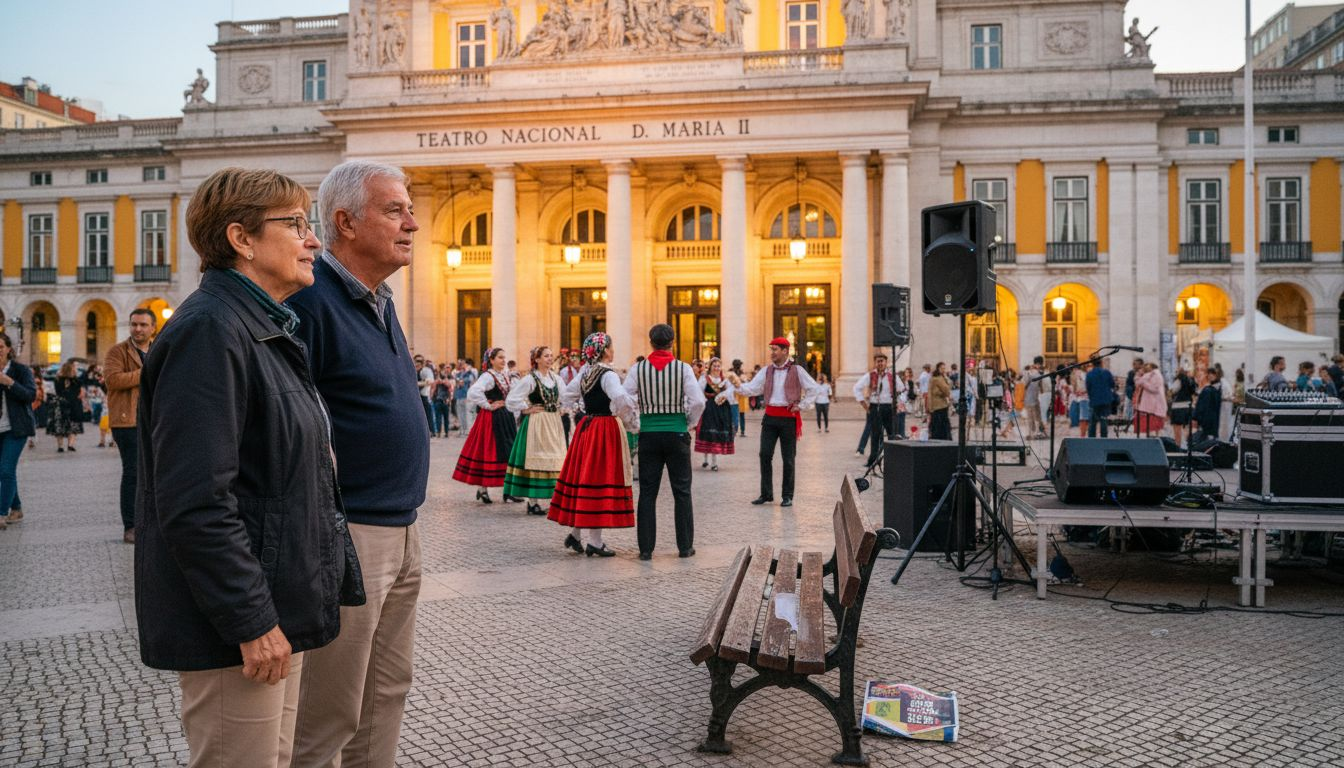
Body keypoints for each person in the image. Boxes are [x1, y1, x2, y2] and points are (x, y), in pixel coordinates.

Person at [137, 167, 364, 768]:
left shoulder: (260, 326)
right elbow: (195, 501)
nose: (313, 239)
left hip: (273, 615)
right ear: (241, 239)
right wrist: (251, 619)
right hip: (236, 633)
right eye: (295, 224)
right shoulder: (211, 331)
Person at [287, 160, 430, 768]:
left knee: (385, 694)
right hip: (349, 533)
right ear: (344, 221)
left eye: (409, 208)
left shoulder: (379, 299)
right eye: (395, 209)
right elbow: (291, 424)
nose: (413, 223)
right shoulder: (311, 300)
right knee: (330, 711)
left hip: (402, 527)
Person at [549, 332, 638, 557]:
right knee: (599, 479)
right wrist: (629, 421)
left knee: (586, 478)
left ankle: (576, 534)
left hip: (587, 427)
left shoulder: (585, 372)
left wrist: (583, 409)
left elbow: (567, 396)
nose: (613, 350)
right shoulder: (608, 374)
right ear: (605, 350)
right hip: (605, 428)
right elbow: (619, 398)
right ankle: (595, 542)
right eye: (610, 346)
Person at [624, 324, 705, 559]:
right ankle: (685, 546)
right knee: (682, 491)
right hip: (677, 433)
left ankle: (646, 549)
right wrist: (688, 421)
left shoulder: (638, 369)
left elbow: (623, 399)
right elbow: (698, 401)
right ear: (672, 342)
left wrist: (634, 424)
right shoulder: (683, 369)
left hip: (648, 434)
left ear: (651, 342)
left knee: (648, 492)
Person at [735, 337, 820, 507]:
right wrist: (736, 386)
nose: (772, 353)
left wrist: (802, 405)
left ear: (785, 351)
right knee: (765, 455)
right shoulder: (766, 371)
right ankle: (766, 494)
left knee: (788, 458)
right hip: (770, 417)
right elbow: (752, 388)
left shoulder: (797, 370)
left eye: (775, 349)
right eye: (771, 349)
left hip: (788, 418)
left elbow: (814, 389)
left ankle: (787, 496)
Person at [504, 346, 566, 515]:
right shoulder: (530, 379)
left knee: (556, 459)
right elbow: (511, 399)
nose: (549, 358)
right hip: (538, 422)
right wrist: (525, 408)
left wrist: (564, 408)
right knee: (536, 459)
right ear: (537, 359)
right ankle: (533, 502)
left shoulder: (556, 378)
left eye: (551, 356)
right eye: (546, 356)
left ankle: (554, 498)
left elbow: (566, 396)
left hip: (553, 422)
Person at [454, 347, 520, 503]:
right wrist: (488, 405)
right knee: (489, 451)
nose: (503, 360)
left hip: (506, 416)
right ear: (491, 360)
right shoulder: (488, 377)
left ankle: (508, 489)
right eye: (500, 358)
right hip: (492, 418)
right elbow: (473, 392)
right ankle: (483, 489)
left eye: (504, 357)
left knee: (509, 452)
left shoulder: (506, 375)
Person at [0, 332, 35, 531]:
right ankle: (16, 507)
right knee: (5, 471)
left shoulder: (20, 370)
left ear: (8, 349)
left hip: (16, 428)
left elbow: (30, 395)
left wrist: (9, 382)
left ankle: (1, 513)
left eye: (0, 347)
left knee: (5, 469)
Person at [854, 352, 903, 467]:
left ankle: (893, 460)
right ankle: (873, 459)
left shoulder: (892, 376)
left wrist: (900, 402)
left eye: (882, 361)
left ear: (886, 363)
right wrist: (863, 404)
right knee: (875, 435)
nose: (880, 363)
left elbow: (902, 389)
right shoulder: (870, 375)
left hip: (889, 407)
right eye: (878, 361)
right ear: (875, 363)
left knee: (892, 434)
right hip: (875, 407)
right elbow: (856, 388)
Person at [694, 357, 736, 469]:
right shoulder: (705, 378)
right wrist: (703, 403)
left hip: (721, 408)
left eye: (718, 366)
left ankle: (714, 462)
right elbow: (699, 391)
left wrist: (724, 397)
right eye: (714, 366)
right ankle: (706, 459)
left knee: (716, 434)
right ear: (710, 367)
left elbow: (730, 392)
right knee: (708, 432)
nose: (717, 368)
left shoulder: (724, 379)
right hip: (709, 408)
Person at [47, 359, 86, 452]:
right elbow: (81, 394)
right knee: (73, 424)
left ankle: (60, 446)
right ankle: (70, 445)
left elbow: (55, 392)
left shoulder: (57, 380)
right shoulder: (77, 381)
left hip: (60, 403)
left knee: (59, 425)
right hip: (74, 404)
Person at [1085, 358, 1117, 437]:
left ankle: (1092, 438)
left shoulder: (1089, 374)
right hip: (1106, 400)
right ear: (1101, 363)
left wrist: (1091, 396)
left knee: (1092, 421)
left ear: (1092, 364)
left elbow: (1088, 387)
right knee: (1104, 419)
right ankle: (1104, 437)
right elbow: (1112, 384)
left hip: (1094, 400)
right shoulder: (1107, 373)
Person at [1134, 362, 1167, 437]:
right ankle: (1152, 439)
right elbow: (1138, 383)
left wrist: (1143, 383)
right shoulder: (1149, 375)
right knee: (1150, 427)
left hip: (1154, 405)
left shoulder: (1155, 375)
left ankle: (1154, 440)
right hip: (1150, 405)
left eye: (1147, 365)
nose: (1145, 367)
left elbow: (1154, 388)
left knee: (1153, 427)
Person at [1169, 366, 1196, 448]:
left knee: (1177, 427)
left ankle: (1178, 445)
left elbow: (1172, 390)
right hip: (1188, 406)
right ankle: (1189, 444)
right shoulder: (1190, 380)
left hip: (1178, 406)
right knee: (1187, 427)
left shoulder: (1178, 380)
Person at [1193, 368, 1223, 442]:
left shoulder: (1209, 390)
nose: (1210, 376)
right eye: (1209, 374)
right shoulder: (1216, 389)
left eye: (1212, 374)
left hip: (1208, 420)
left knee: (1205, 440)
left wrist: (1196, 417)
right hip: (1212, 420)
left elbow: (1201, 406)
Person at [927, 362, 952, 440]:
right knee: (941, 427)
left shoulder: (932, 378)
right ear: (938, 369)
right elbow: (947, 390)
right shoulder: (939, 379)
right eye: (942, 368)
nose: (944, 370)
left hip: (934, 406)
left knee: (935, 426)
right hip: (940, 406)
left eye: (944, 368)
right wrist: (947, 379)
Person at [455, 357, 478, 436]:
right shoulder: (459, 373)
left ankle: (468, 430)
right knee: (460, 413)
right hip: (459, 395)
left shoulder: (471, 373)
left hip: (466, 395)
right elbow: (457, 382)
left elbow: (471, 380)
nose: (461, 365)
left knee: (467, 414)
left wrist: (467, 371)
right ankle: (462, 429)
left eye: (463, 363)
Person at [732, 359, 750, 436]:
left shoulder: (731, 374)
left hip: (734, 395)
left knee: (733, 414)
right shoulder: (742, 374)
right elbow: (746, 383)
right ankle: (742, 431)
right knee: (741, 415)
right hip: (741, 396)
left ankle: (734, 430)